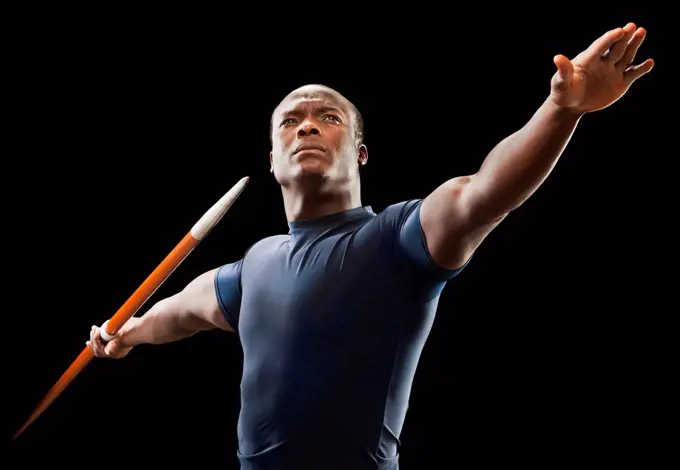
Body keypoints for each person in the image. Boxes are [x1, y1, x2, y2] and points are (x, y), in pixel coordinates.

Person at [87, 23, 653, 469]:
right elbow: (182, 310)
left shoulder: (398, 240)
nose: (306, 127)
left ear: (360, 152)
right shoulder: (254, 264)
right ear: (271, 160)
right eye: (289, 121)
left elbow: (483, 192)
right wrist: (125, 335)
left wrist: (560, 112)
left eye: (327, 117)